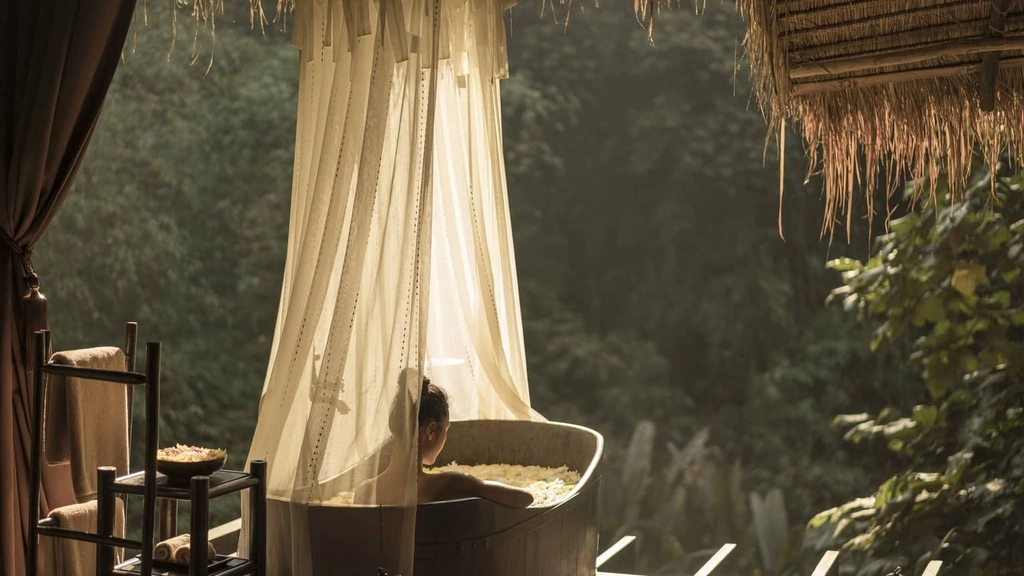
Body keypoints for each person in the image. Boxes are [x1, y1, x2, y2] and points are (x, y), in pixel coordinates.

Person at [355, 375, 533, 508]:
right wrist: (476, 487)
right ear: (431, 430)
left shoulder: (364, 492)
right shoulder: (451, 483)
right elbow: (525, 499)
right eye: (446, 429)